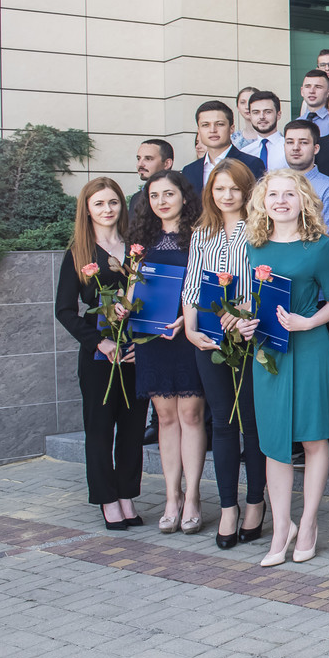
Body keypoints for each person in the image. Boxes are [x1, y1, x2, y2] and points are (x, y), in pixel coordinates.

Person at [237, 170, 329, 565]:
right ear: (262, 202)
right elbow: (248, 300)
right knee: (274, 443)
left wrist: (308, 321)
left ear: (303, 201)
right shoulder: (253, 245)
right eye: (273, 195)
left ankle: (309, 523)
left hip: (309, 345)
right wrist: (243, 321)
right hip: (268, 351)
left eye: (289, 194)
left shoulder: (319, 246)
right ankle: (282, 528)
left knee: (314, 439)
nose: (280, 201)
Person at [181, 158, 266, 549]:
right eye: (219, 188)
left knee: (251, 422)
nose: (227, 195)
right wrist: (191, 329)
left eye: (234, 188)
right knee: (223, 422)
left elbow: (267, 282)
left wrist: (245, 311)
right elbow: (191, 285)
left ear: (247, 191)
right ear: (210, 193)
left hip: (248, 337)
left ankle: (255, 502)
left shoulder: (261, 228)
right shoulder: (202, 232)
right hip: (210, 339)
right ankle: (228, 506)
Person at [57, 178, 148, 530]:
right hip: (99, 354)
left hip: (134, 351)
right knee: (99, 429)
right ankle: (107, 498)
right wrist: (99, 342)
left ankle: (126, 494)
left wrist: (143, 343)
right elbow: (64, 310)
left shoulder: (136, 249)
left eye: (113, 202)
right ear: (87, 210)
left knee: (133, 428)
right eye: (99, 204)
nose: (107, 209)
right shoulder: (78, 253)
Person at [132, 169, 208, 534]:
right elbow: (134, 288)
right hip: (152, 338)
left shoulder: (200, 236)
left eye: (168, 194)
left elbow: (208, 285)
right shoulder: (140, 239)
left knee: (191, 415)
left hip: (187, 333)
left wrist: (186, 318)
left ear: (184, 196)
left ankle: (193, 496)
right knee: (164, 417)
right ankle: (171, 497)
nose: (161, 202)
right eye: (154, 196)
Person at [183, 101, 265, 190]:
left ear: (231, 129)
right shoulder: (189, 171)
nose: (212, 130)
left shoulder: (251, 164)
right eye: (205, 125)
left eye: (219, 124)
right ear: (199, 130)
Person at [284, 120, 329, 240]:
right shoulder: (272, 184)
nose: (295, 148)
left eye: (303, 142)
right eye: (290, 142)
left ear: (315, 149)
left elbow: (326, 237)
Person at [241, 90, 284, 170]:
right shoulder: (245, 152)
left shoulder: (289, 149)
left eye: (267, 112)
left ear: (278, 115)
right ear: (250, 116)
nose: (262, 117)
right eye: (256, 112)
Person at [132, 138, 173, 217]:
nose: (140, 164)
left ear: (167, 164)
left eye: (148, 159)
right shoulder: (136, 198)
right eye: (138, 158)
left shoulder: (178, 198)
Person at [296, 69, 329, 137]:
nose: (312, 91)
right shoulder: (296, 123)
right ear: (302, 91)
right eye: (307, 86)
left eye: (318, 87)